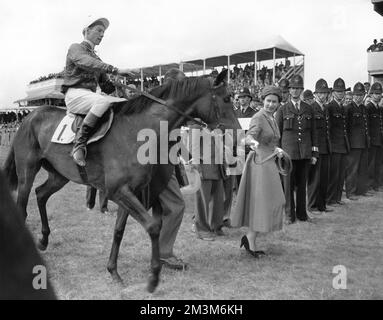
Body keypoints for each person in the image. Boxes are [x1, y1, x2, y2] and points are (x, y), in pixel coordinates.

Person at [62, 17, 136, 167]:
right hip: (75, 95)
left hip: (90, 96)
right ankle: (79, 143)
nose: (102, 34)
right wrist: (116, 70)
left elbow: (107, 87)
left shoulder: (96, 58)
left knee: (124, 104)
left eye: (103, 32)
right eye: (99, 30)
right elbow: (85, 61)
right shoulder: (75, 48)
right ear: (87, 31)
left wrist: (123, 88)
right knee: (103, 100)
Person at [231, 86, 287, 257]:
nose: (270, 104)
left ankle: (250, 239)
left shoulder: (272, 117)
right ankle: (250, 240)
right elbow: (249, 136)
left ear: (278, 103)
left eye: (274, 102)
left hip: (269, 161)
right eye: (268, 101)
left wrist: (277, 149)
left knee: (271, 202)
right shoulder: (259, 117)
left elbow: (270, 140)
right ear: (263, 101)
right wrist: (252, 143)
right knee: (263, 203)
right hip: (260, 164)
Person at [275, 75, 318, 224]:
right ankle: (288, 215)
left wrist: (314, 153)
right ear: (289, 90)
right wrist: (278, 152)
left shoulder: (308, 108)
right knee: (287, 186)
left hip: (304, 153)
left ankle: (301, 214)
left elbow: (313, 132)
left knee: (302, 186)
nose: (295, 91)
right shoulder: (282, 109)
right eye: (292, 88)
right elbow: (277, 133)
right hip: (288, 154)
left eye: (298, 88)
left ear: (302, 90)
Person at [307, 79, 333, 214]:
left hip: (326, 148)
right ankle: (311, 206)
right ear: (315, 94)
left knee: (324, 178)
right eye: (320, 93)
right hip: (316, 148)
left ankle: (322, 205)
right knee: (314, 179)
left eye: (325, 93)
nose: (323, 96)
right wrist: (313, 150)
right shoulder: (311, 108)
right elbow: (311, 132)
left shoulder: (326, 108)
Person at [344, 82, 370, 199]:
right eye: (357, 95)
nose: (359, 97)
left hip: (363, 143)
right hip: (353, 144)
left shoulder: (364, 108)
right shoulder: (348, 108)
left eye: (361, 95)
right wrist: (348, 144)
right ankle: (351, 192)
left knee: (362, 168)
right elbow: (346, 128)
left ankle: (361, 190)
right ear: (353, 95)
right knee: (352, 169)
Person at [326, 78, 350, 206]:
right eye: (338, 91)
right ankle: (330, 199)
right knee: (333, 175)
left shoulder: (342, 107)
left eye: (342, 91)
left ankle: (337, 198)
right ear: (333, 92)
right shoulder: (330, 107)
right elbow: (328, 128)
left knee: (341, 174)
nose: (340, 93)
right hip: (334, 146)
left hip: (343, 145)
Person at [365, 82, 383, 192]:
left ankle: (377, 184)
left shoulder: (379, 109)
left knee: (378, 163)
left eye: (380, 93)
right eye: (376, 93)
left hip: (380, 140)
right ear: (371, 94)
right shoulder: (368, 107)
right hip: (372, 141)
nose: (378, 95)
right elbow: (367, 125)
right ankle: (370, 185)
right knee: (371, 164)